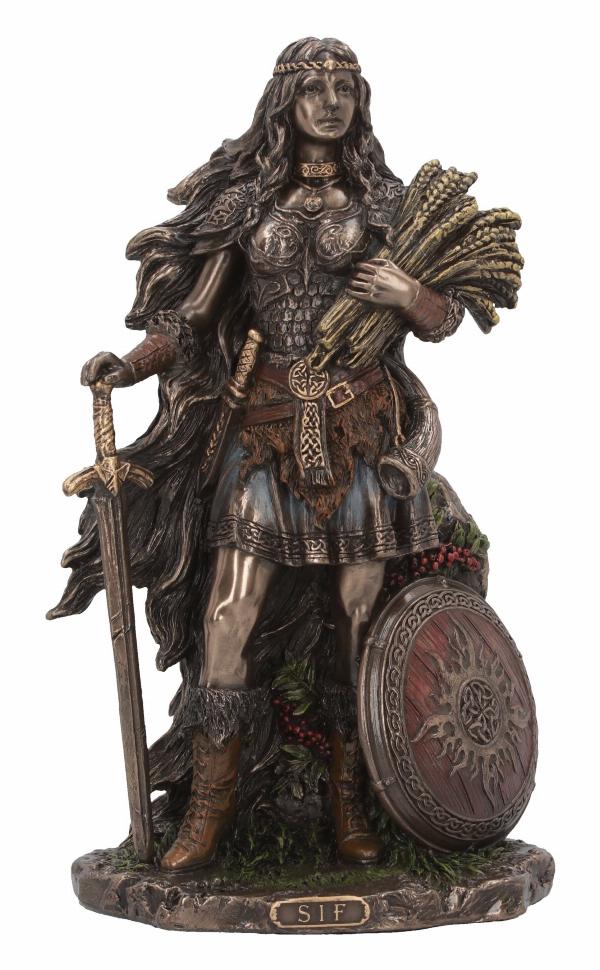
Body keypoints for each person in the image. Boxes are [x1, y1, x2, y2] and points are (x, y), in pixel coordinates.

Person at [55, 37, 464, 872]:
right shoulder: (247, 203)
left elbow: (447, 318)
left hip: (360, 426)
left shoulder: (388, 204)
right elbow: (193, 318)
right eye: (313, 87)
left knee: (360, 619)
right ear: (285, 103)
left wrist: (407, 292)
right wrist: (129, 365)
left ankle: (352, 800)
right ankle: (209, 809)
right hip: (266, 424)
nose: (330, 102)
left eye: (343, 87)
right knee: (227, 612)